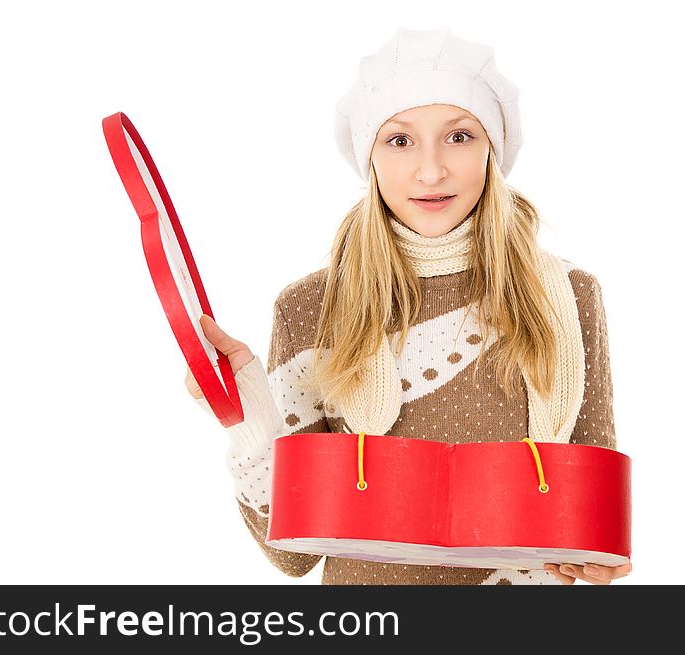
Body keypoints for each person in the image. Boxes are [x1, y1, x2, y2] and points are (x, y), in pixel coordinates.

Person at [186, 26, 632, 586]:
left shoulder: (569, 297)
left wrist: (595, 555)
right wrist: (248, 421)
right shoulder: (311, 307)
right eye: (400, 140)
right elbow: (294, 555)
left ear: (493, 150)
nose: (430, 170)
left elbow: (590, 524)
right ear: (368, 155)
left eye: (459, 136)